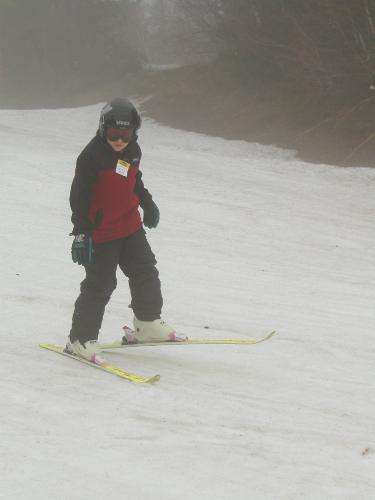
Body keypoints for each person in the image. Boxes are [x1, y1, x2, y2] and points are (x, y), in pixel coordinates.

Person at [66, 97, 178, 363]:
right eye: (114, 133)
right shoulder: (91, 157)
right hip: (101, 232)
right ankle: (80, 339)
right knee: (100, 284)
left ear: (134, 132)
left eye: (125, 133)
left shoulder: (132, 150)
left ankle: (147, 323)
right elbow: (78, 197)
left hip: (129, 226)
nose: (119, 139)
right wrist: (81, 232)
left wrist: (148, 204)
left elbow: (133, 178)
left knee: (145, 270)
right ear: (103, 129)